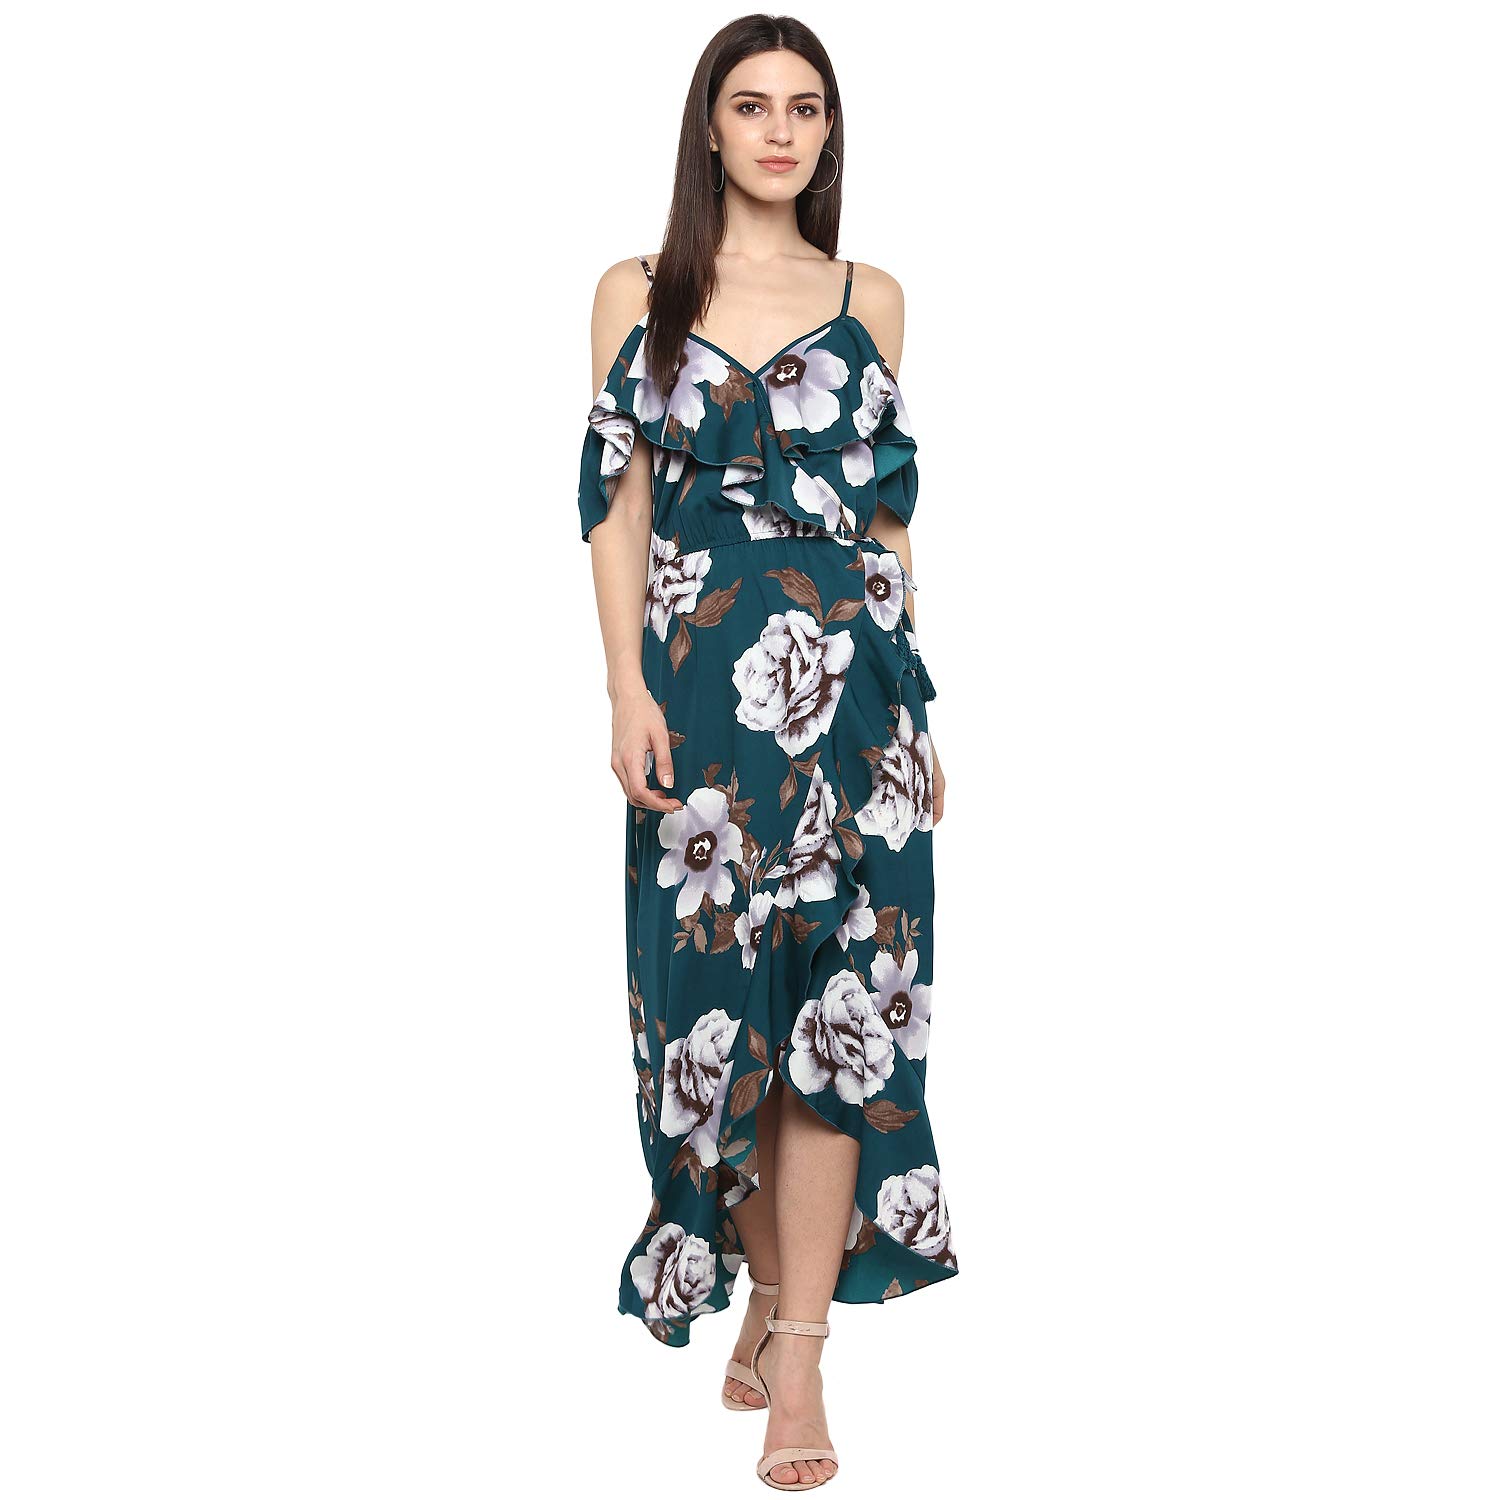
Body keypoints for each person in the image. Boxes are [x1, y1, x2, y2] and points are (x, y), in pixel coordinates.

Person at [576, 15, 957, 1491]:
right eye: (753, 106)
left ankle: (799, 1357)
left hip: (857, 700)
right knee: (712, 1026)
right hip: (702, 698)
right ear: (711, 126)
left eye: (805, 108)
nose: (780, 132)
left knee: (843, 1018)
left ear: (827, 131)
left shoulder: (874, 298)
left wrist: (924, 711)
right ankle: (767, 1279)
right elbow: (617, 504)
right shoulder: (639, 292)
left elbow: (888, 524)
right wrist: (625, 687)